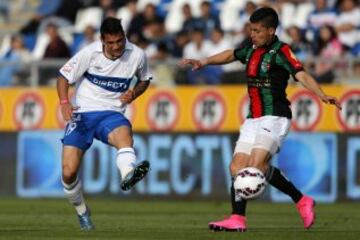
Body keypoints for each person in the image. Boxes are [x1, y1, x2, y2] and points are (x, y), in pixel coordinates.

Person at [180, 7, 341, 232]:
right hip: (253, 118)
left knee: (256, 166)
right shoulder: (251, 49)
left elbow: (301, 74)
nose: (252, 35)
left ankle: (300, 201)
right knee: (237, 168)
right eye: (251, 30)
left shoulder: (282, 51)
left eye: (257, 31)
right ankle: (239, 218)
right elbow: (231, 54)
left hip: (275, 116)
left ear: (271, 30)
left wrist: (322, 94)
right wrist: (204, 61)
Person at [57, 17, 152, 231]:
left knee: (124, 136)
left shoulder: (137, 54)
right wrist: (64, 102)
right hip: (82, 115)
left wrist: (134, 92)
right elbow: (63, 77)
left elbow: (145, 79)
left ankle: (128, 173)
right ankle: (82, 211)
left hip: (111, 112)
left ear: (124, 36)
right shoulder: (89, 53)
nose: (117, 46)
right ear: (102, 40)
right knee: (68, 172)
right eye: (111, 43)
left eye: (120, 41)